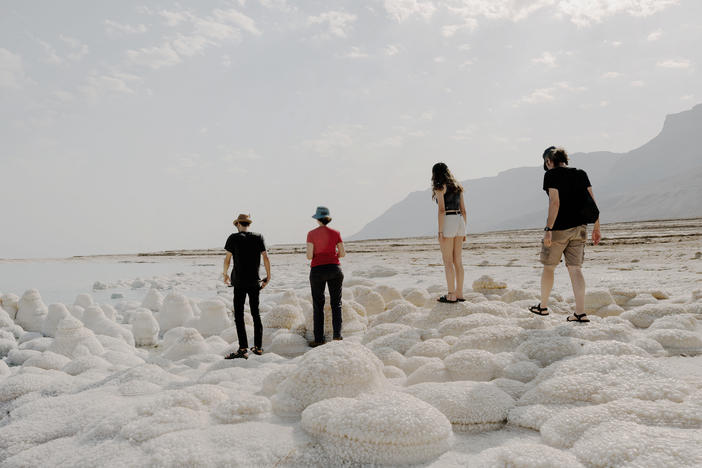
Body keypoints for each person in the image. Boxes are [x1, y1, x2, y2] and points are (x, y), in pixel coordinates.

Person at [529, 147, 601, 323]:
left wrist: (548, 229)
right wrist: (597, 227)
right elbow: (592, 201)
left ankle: (543, 307)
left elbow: (555, 202)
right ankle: (580, 313)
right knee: (575, 269)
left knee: (549, 267)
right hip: (580, 228)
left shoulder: (551, 175)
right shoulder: (581, 173)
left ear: (548, 161)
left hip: (559, 230)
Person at [223, 213, 271, 359]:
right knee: (256, 314)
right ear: (248, 224)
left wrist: (224, 274)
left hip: (238, 282)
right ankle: (258, 347)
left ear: (238, 224)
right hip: (254, 282)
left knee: (239, 315)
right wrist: (268, 276)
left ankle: (243, 348)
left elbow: (227, 260)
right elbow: (265, 257)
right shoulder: (258, 237)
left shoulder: (233, 238)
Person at [306, 206, 346, 347]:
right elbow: (342, 253)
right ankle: (337, 336)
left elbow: (309, 256)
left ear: (317, 219)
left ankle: (319, 339)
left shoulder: (311, 234)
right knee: (336, 304)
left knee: (318, 305)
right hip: (335, 269)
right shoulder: (336, 233)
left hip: (317, 270)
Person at [431, 162, 467, 303]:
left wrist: (440, 232)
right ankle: (460, 293)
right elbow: (464, 210)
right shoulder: (458, 187)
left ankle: (451, 295)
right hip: (460, 221)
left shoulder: (440, 187)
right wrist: (464, 231)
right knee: (458, 261)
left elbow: (441, 210)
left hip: (449, 220)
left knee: (447, 261)